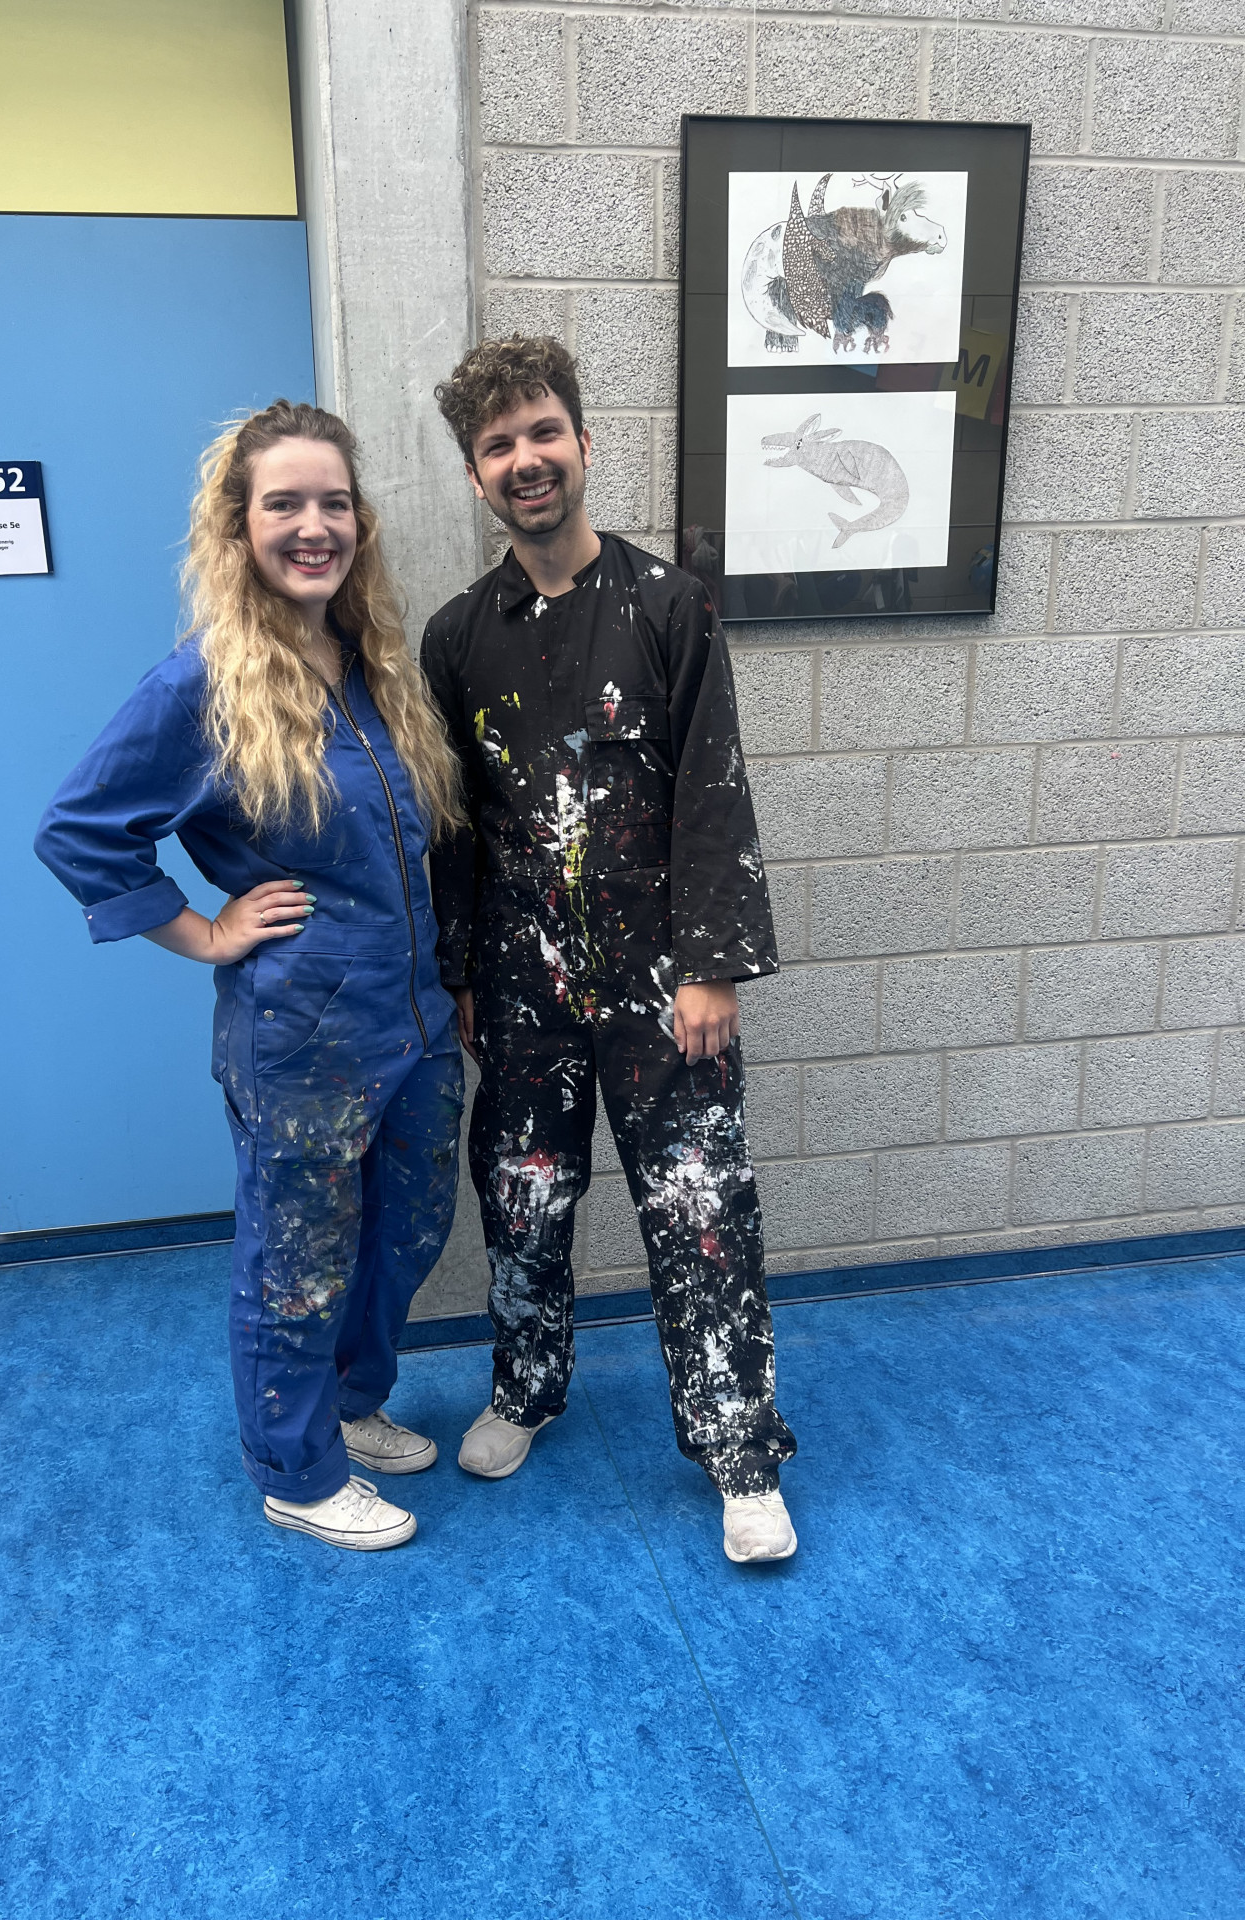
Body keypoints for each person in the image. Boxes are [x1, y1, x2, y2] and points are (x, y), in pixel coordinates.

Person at [35, 401, 464, 1553]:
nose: (313, 526)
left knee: (410, 1230)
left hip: (415, 1024)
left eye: (334, 503)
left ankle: (351, 1404)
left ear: (360, 523)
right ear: (239, 526)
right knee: (299, 1260)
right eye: (284, 504)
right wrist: (203, 932)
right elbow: (79, 829)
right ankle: (296, 1468)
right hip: (304, 1037)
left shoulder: (372, 667)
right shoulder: (204, 684)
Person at [421, 337, 799, 1564]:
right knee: (524, 1195)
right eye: (498, 446)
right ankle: (526, 1388)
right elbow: (455, 827)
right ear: (476, 475)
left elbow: (713, 790)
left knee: (699, 1204)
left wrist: (713, 965)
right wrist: (462, 969)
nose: (525, 460)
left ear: (583, 442)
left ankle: (740, 1452)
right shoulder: (456, 637)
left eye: (543, 433)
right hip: (522, 983)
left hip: (662, 982)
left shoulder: (671, 606)